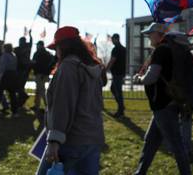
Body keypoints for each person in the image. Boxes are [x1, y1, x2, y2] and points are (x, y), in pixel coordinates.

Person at [37, 26, 104, 175]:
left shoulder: (68, 66)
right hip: (93, 138)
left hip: (71, 141)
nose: (56, 53)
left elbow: (63, 106)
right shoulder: (92, 66)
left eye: (57, 48)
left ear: (64, 47)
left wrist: (54, 141)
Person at [132, 22, 191, 175]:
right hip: (165, 104)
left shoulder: (161, 51)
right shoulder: (170, 49)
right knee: (151, 141)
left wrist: (138, 79)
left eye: (150, 34)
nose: (148, 36)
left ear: (159, 34)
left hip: (164, 105)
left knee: (176, 146)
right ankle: (140, 172)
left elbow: (151, 77)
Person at [0, 43, 20, 117]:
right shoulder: (14, 56)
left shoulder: (4, 56)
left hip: (5, 75)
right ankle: (15, 112)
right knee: (12, 95)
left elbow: (2, 67)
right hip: (13, 75)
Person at [106, 33, 127, 117]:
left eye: (112, 39)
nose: (112, 41)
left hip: (117, 73)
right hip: (121, 72)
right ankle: (121, 106)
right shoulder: (123, 49)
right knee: (114, 89)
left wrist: (106, 69)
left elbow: (112, 60)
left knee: (117, 91)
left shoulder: (116, 49)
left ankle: (120, 110)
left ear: (116, 39)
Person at [32, 40, 55, 111]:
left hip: (40, 74)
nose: (37, 46)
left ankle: (48, 106)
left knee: (41, 91)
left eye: (38, 45)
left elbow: (34, 63)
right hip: (44, 74)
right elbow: (52, 64)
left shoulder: (38, 53)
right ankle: (37, 106)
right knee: (39, 90)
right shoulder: (48, 54)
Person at [14, 34, 33, 107]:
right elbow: (31, 42)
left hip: (21, 70)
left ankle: (22, 98)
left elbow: (31, 42)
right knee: (20, 86)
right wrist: (30, 35)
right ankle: (21, 100)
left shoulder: (19, 49)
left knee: (19, 86)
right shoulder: (27, 48)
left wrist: (30, 35)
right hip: (24, 69)